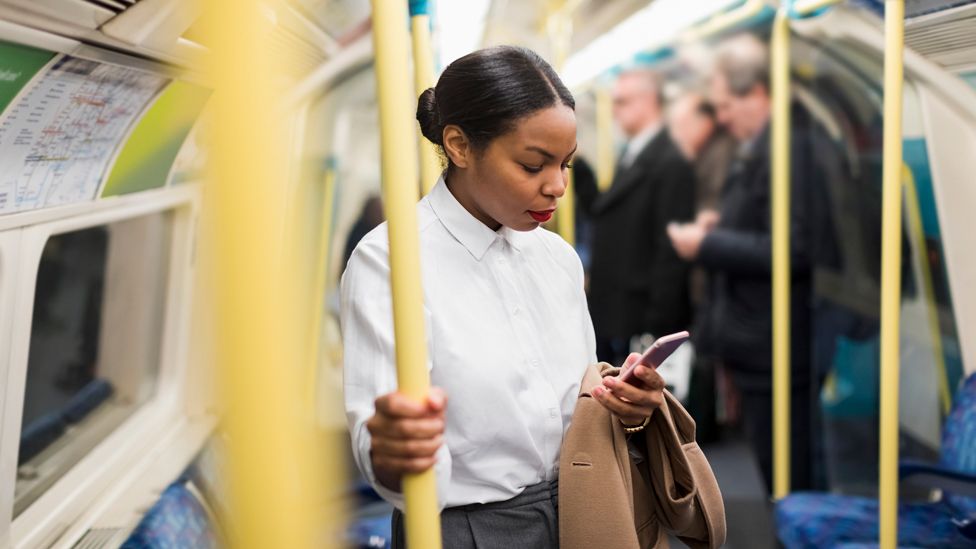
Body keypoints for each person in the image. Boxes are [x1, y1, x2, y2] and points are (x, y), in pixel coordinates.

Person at [342, 46, 671, 548]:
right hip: (468, 528)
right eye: (533, 165)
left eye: (565, 164)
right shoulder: (390, 260)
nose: (558, 186)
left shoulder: (557, 260)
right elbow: (383, 450)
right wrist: (394, 449)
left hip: (585, 507)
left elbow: (575, 407)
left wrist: (627, 410)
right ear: (459, 146)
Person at [667, 34, 836, 493]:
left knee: (787, 469)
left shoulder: (789, 148)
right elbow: (766, 223)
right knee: (775, 465)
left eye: (726, 106)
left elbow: (794, 247)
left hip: (778, 337)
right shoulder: (768, 145)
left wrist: (706, 244)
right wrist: (719, 227)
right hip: (761, 333)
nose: (720, 119)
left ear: (757, 93)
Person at [574, 68, 696, 366]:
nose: (614, 111)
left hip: (641, 315)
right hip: (619, 306)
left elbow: (670, 252)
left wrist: (656, 326)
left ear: (648, 101)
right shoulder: (633, 154)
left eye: (622, 102)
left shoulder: (670, 163)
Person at [667, 92, 737, 213]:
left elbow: (714, 201)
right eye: (673, 126)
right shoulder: (700, 150)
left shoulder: (723, 151)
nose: (675, 134)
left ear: (706, 122)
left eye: (682, 124)